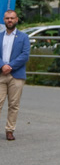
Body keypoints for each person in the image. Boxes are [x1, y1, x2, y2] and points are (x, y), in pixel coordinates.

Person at [0, 10, 29, 141]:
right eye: (7, 18)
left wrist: (10, 66)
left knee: (13, 104)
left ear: (17, 20)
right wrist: (2, 65)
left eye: (12, 18)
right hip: (1, 73)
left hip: (16, 75)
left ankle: (10, 130)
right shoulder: (0, 36)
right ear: (4, 20)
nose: (10, 20)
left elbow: (25, 55)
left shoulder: (23, 37)